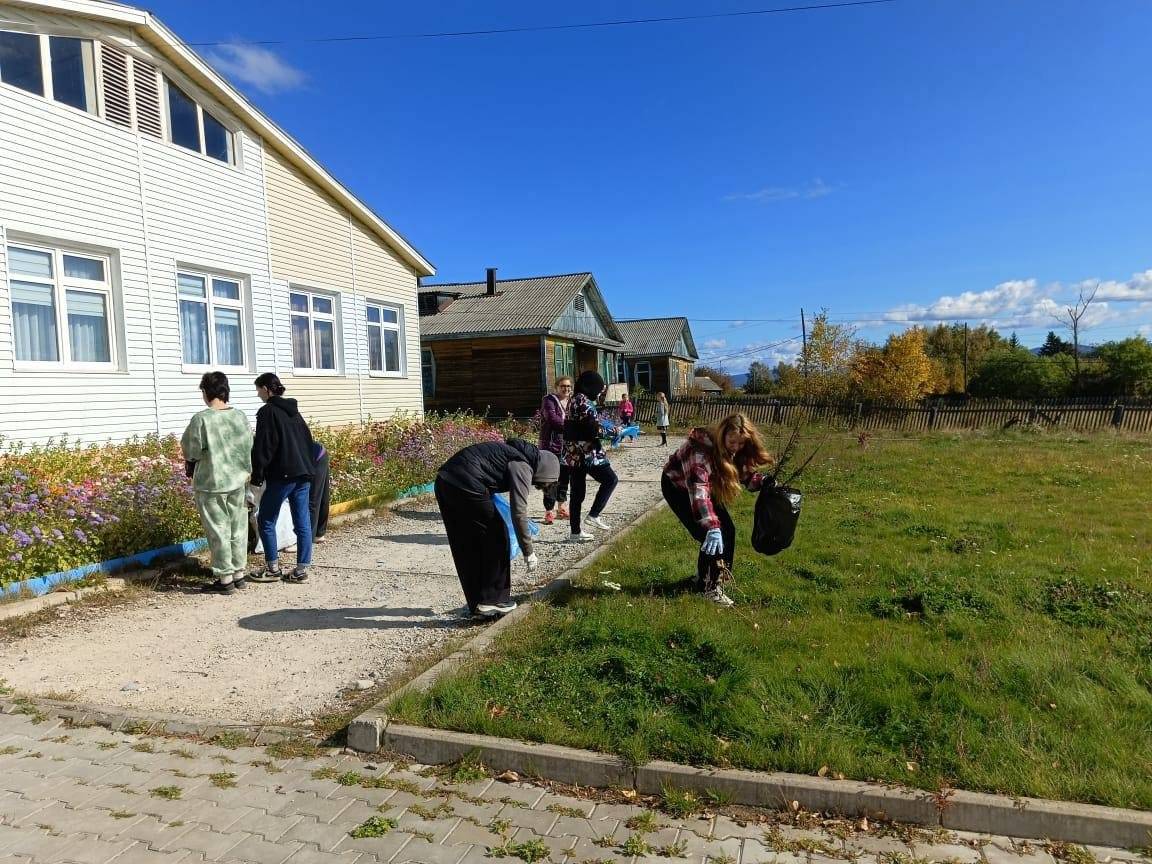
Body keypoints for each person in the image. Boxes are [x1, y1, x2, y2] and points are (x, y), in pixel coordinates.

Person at [435, 439, 560, 617]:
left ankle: (478, 603)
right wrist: (528, 551)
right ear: (545, 471)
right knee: (498, 537)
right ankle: (493, 600)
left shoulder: (511, 454)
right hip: (467, 483)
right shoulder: (522, 466)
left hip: (444, 481)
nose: (536, 485)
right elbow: (519, 512)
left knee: (466, 543)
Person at [661, 413, 772, 607]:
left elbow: (741, 472)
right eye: (732, 442)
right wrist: (711, 526)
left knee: (728, 530)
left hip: (703, 486)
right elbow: (699, 493)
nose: (736, 447)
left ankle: (706, 579)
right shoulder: (699, 452)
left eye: (741, 443)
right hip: (678, 487)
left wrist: (761, 481)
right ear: (722, 435)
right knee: (710, 533)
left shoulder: (733, 447)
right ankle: (709, 588)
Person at [180, 372, 254, 595]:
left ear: (206, 392)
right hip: (238, 480)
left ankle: (225, 578)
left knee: (218, 529)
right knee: (238, 528)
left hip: (211, 482)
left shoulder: (202, 419)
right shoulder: (239, 416)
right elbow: (249, 444)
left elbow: (190, 450)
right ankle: (239, 573)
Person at [249, 372, 316, 584]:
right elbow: (308, 440)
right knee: (302, 522)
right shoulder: (294, 412)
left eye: (259, 389)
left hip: (282, 475)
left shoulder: (267, 412)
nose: (258, 394)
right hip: (303, 473)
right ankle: (301, 569)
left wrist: (257, 476)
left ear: (267, 389)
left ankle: (273, 568)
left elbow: (264, 447)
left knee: (266, 520)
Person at [563, 370, 619, 542]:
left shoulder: (573, 399)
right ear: (592, 386)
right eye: (599, 389)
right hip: (588, 454)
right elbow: (593, 431)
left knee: (577, 493)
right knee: (610, 480)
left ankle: (575, 532)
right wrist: (615, 431)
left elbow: (581, 425)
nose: (600, 392)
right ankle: (594, 514)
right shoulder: (585, 402)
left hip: (572, 454)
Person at [538, 377, 572, 526]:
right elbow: (553, 420)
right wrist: (574, 427)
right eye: (563, 386)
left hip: (566, 446)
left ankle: (561, 507)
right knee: (550, 480)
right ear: (557, 387)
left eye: (568, 386)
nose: (566, 389)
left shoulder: (571, 402)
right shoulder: (549, 400)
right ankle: (549, 512)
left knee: (564, 478)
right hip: (550, 446)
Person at [310, 440, 331, 544]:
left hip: (314, 455)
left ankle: (308, 537)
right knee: (321, 494)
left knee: (313, 497)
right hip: (320, 451)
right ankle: (319, 533)